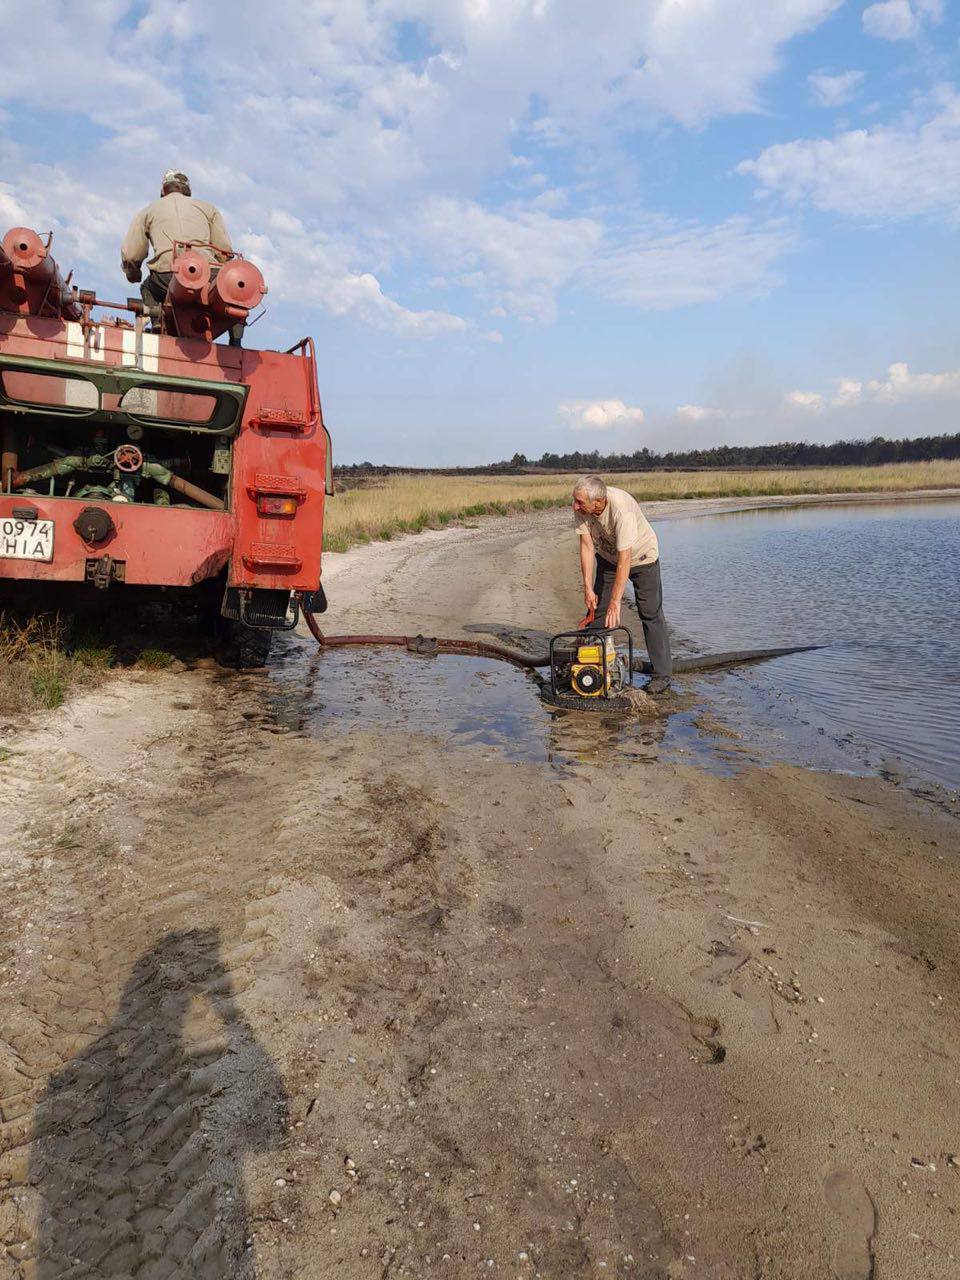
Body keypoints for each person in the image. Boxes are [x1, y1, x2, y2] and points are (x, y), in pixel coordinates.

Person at [573, 473, 672, 694]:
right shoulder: (581, 508)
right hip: (608, 557)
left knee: (650, 614)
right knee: (598, 610)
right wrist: (587, 587)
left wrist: (616, 601)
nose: (575, 505)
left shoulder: (621, 509)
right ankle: (594, 665)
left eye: (580, 502)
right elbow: (587, 546)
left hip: (642, 557)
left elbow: (625, 559)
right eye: (575, 500)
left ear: (598, 502)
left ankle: (662, 675)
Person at [120, 169, 233, 319]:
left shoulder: (148, 211)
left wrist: (134, 274)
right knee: (231, 297)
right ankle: (235, 340)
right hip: (207, 273)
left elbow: (131, 255)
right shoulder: (209, 208)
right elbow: (224, 252)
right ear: (187, 189)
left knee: (147, 287)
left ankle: (157, 323)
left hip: (169, 276)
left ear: (163, 190)